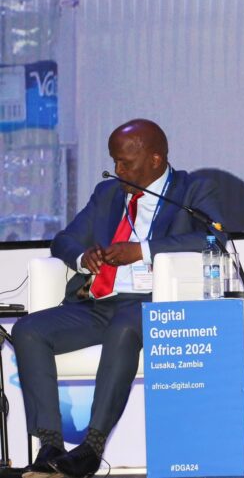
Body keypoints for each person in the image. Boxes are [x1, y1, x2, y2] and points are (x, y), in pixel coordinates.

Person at [13, 119, 223, 478]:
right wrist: (83, 258)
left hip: (151, 305)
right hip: (98, 303)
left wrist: (142, 251)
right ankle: (50, 442)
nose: (118, 170)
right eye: (115, 161)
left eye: (127, 163)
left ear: (156, 159)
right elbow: (64, 239)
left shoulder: (190, 190)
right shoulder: (108, 193)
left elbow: (214, 240)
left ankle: (92, 448)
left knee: (124, 328)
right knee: (28, 331)